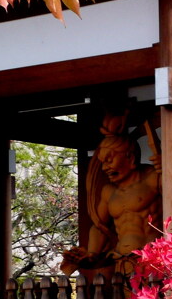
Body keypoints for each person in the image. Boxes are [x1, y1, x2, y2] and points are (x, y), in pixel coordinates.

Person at [60, 118, 161, 277]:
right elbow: (100, 226)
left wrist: (167, 167)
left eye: (109, 160)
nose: (105, 167)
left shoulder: (153, 179)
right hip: (122, 260)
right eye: (102, 162)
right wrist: (92, 253)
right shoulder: (109, 191)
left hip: (153, 258)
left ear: (130, 157)